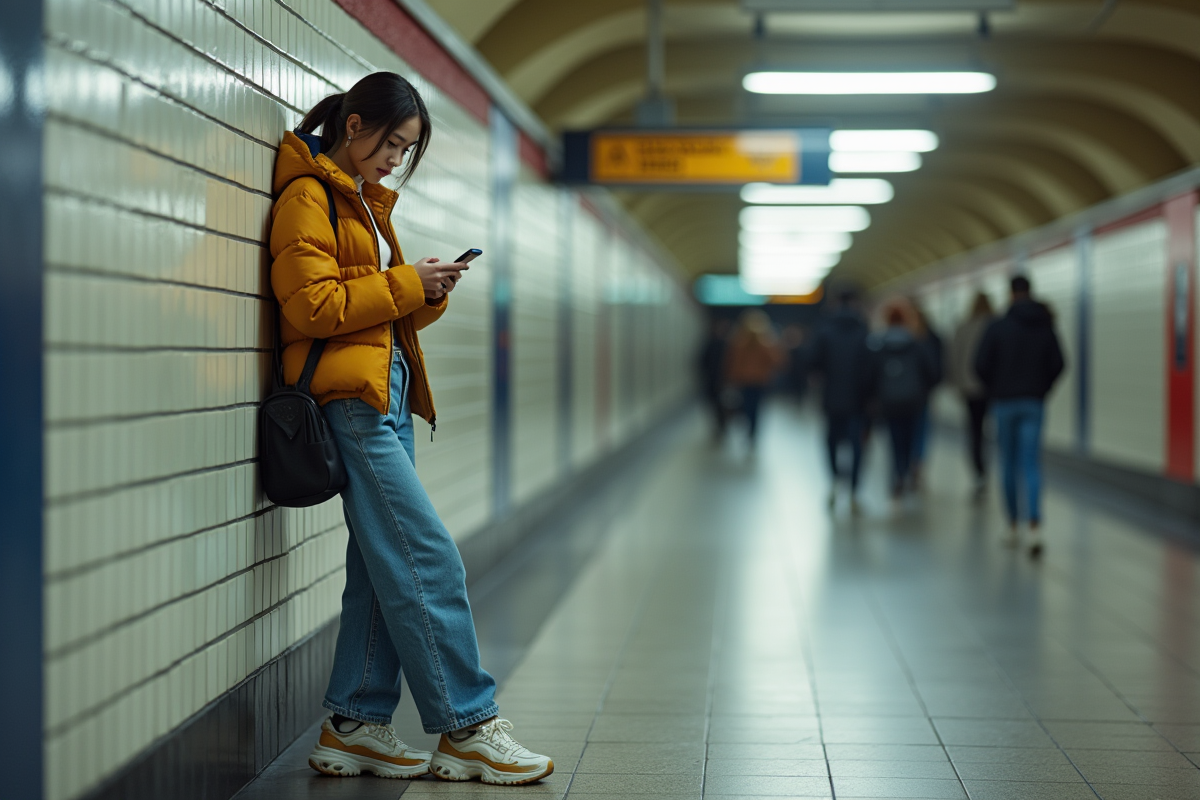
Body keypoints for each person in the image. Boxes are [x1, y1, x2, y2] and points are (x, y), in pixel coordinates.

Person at [270, 72, 552, 785]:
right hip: (352, 407)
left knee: (378, 565)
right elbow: (310, 307)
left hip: (386, 398)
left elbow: (364, 307)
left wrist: (425, 292)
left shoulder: (359, 201)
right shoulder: (309, 195)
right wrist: (404, 284)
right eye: (392, 144)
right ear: (355, 124)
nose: (396, 160)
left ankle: (357, 723)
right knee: (427, 559)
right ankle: (468, 727)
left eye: (407, 150)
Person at [974, 275, 1065, 558]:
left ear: (1010, 294)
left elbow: (979, 365)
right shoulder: (1045, 325)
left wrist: (995, 388)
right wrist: (1042, 388)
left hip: (1004, 404)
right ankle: (1035, 525)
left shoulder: (997, 327)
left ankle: (1012, 525)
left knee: (1008, 464)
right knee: (1031, 463)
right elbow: (1059, 363)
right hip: (1033, 403)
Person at [808, 290, 871, 512]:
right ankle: (854, 490)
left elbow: (813, 363)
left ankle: (835, 480)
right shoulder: (863, 331)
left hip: (831, 399)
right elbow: (871, 369)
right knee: (856, 446)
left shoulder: (825, 331)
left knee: (832, 443)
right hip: (858, 401)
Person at [868, 302, 938, 498]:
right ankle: (908, 472)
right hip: (914, 401)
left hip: (888, 402)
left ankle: (897, 474)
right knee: (911, 438)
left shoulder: (878, 345)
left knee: (894, 440)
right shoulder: (917, 344)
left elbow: (872, 375)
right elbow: (932, 372)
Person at [949, 292, 995, 498]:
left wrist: (957, 385)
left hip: (969, 388)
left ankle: (979, 472)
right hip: (991, 388)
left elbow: (955, 357)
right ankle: (989, 466)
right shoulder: (994, 325)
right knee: (989, 429)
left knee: (974, 431)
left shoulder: (964, 326)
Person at [723, 310, 785, 446]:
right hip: (758, 381)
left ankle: (751, 430)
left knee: (748, 406)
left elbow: (733, 363)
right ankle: (752, 430)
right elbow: (777, 361)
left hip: (748, 380)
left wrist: (732, 378)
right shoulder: (764, 342)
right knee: (755, 407)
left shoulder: (740, 342)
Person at [908, 302, 944, 490]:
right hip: (923, 393)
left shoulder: (906, 338)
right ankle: (917, 463)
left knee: (907, 430)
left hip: (903, 395)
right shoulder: (931, 339)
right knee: (921, 430)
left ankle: (908, 465)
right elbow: (937, 368)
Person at [698, 318, 732, 440]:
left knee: (723, 404)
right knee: (715, 404)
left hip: (724, 380)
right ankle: (720, 425)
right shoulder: (713, 343)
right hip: (713, 380)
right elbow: (702, 361)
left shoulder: (729, 345)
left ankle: (722, 424)